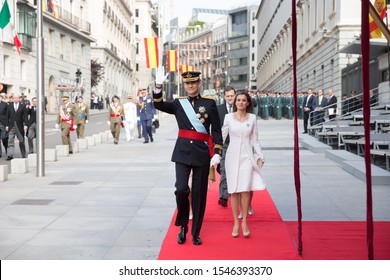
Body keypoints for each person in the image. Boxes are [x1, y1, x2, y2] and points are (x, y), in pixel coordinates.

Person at [153, 67, 223, 246]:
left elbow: (215, 129)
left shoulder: (209, 103)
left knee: (199, 195)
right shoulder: (178, 103)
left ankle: (195, 232)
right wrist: (159, 86)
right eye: (187, 83)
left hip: (201, 154)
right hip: (182, 153)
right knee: (182, 189)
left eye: (193, 82)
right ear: (184, 85)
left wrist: (217, 152)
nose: (190, 85)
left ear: (199, 83)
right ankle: (183, 226)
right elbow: (159, 104)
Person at [222, 91, 266, 238]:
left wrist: (259, 154)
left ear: (248, 103)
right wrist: (213, 153)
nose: (240, 102)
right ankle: (236, 222)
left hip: (247, 157)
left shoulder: (252, 118)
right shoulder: (228, 117)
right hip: (232, 156)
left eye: (243, 100)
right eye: (238, 100)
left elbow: (255, 140)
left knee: (245, 190)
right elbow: (222, 137)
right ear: (235, 102)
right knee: (234, 190)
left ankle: (245, 221)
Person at [217, 86, 236, 208]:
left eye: (232, 96)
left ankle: (234, 193)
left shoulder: (240, 107)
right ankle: (223, 196)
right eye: (227, 96)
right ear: (224, 97)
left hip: (238, 144)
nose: (230, 98)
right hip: (224, 144)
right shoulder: (218, 109)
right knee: (224, 169)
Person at [5, 94, 28, 160]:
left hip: (19, 126)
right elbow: (7, 116)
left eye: (17, 98)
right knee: (10, 140)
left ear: (19, 99)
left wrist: (25, 125)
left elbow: (25, 116)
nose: (15, 99)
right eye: (14, 98)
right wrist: (6, 125)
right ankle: (10, 155)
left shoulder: (22, 106)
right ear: (12, 99)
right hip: (11, 125)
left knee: (21, 140)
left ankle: (23, 154)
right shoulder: (9, 106)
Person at [0, 93, 9, 158]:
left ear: (1, 98)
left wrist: (7, 125)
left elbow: (8, 115)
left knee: (4, 138)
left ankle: (7, 149)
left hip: (3, 123)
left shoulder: (5, 104)